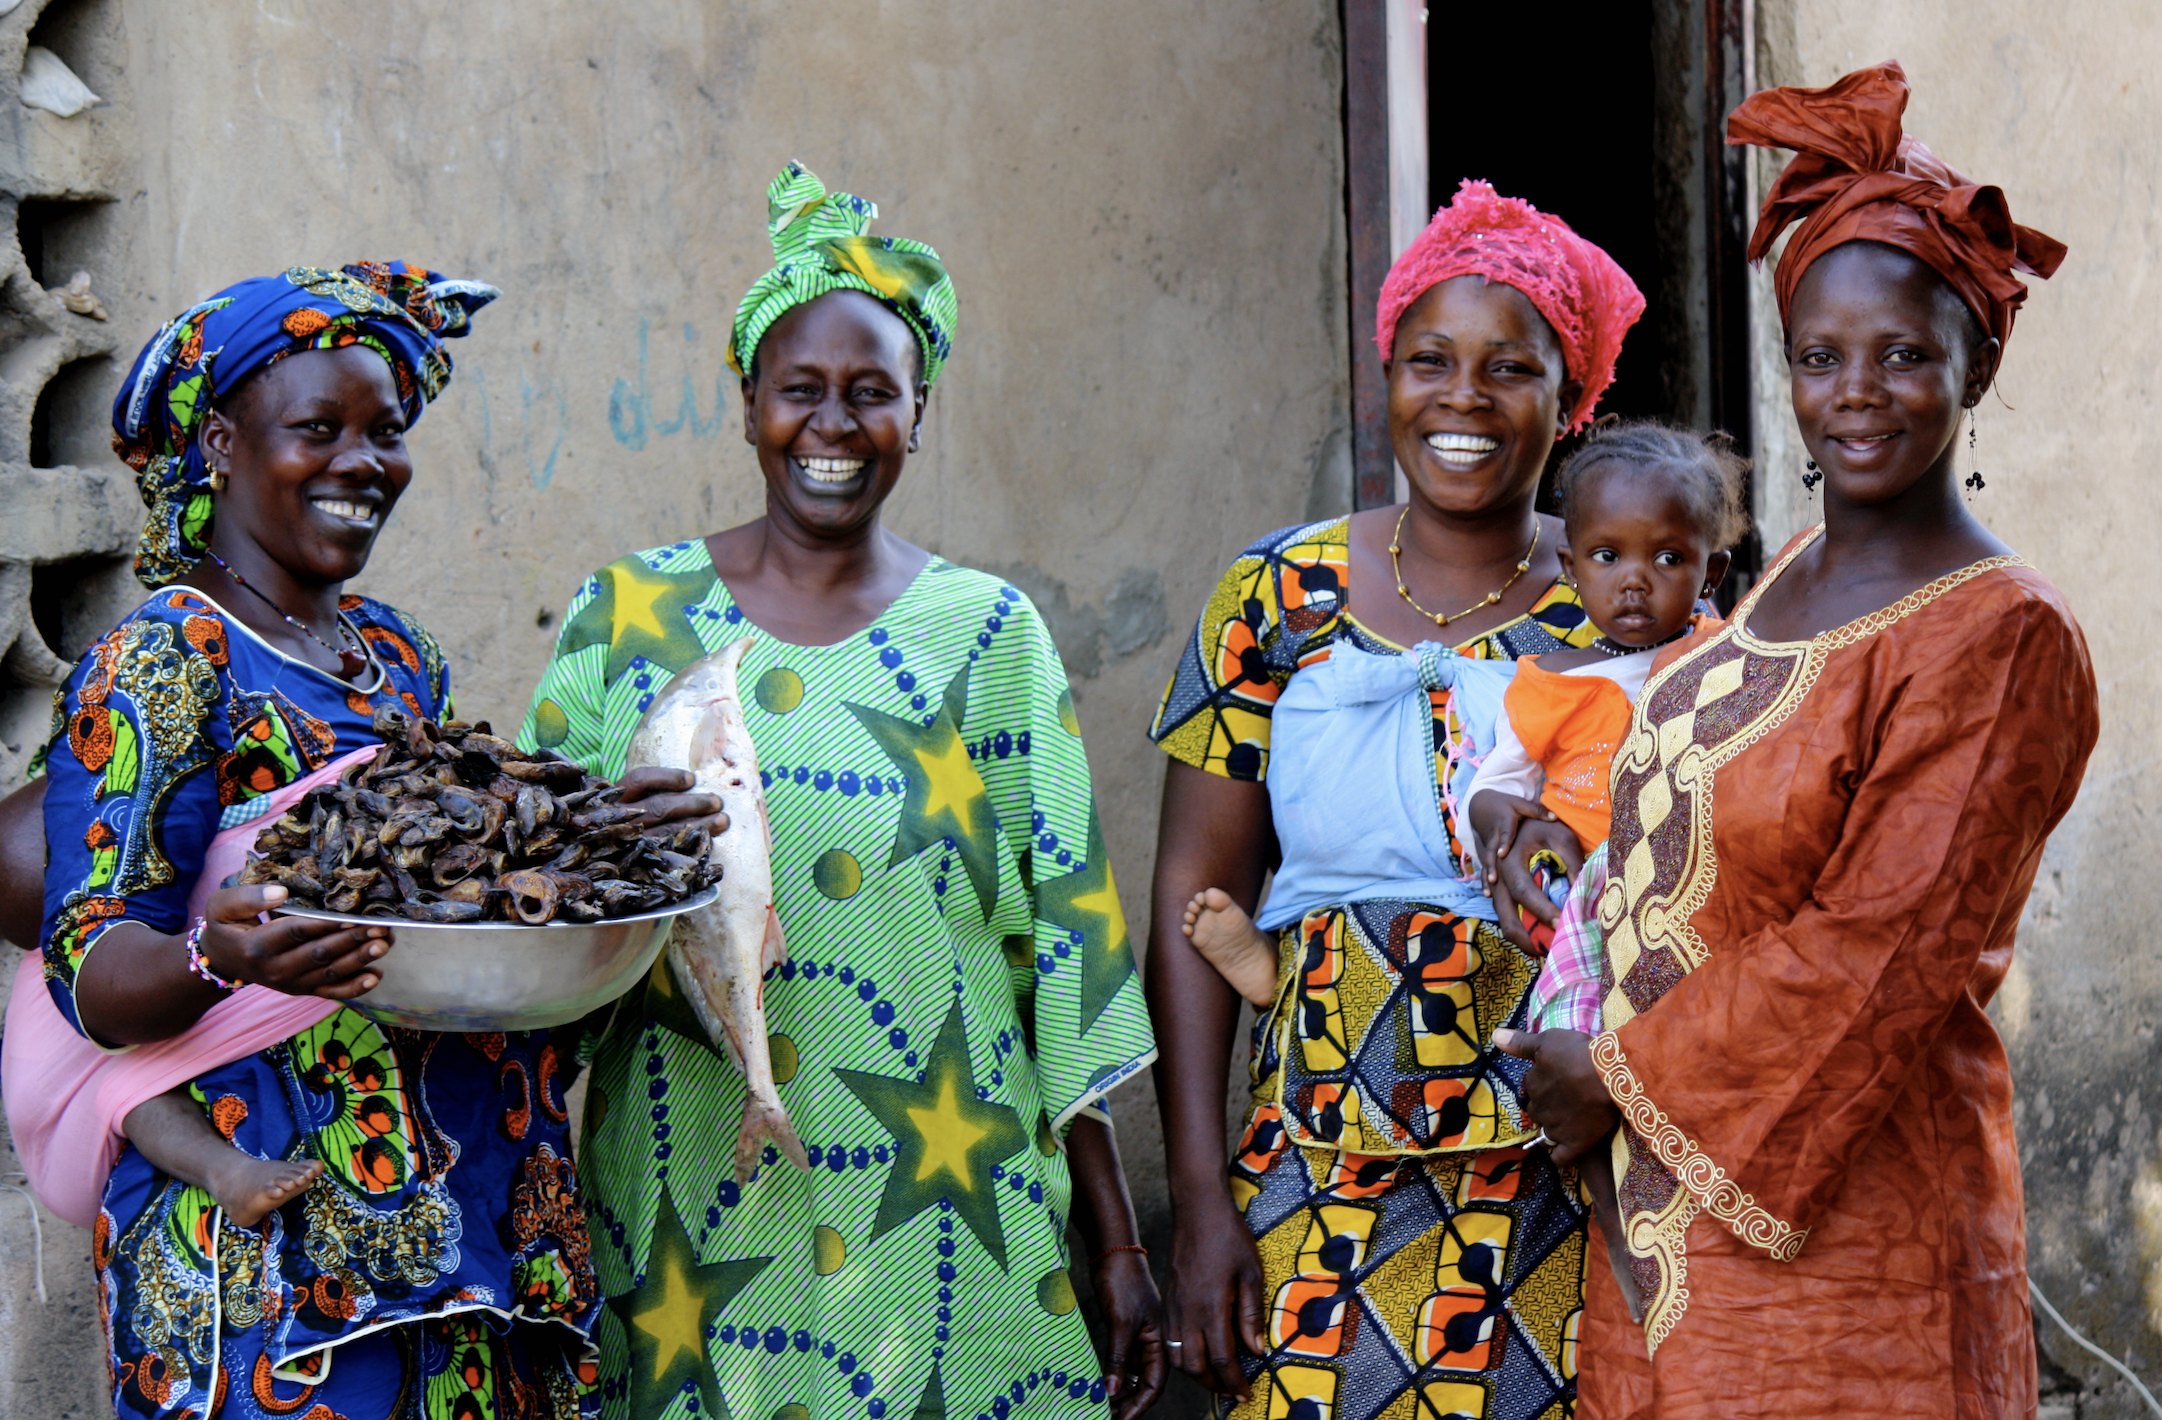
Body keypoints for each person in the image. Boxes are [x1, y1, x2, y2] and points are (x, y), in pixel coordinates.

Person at [1496, 62, 2095, 1418]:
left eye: (1902, 354)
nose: (1856, 393)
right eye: (1819, 357)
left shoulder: (1999, 638)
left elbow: (1875, 947)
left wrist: (1618, 1076)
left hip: (1854, 1253)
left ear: (1977, 363)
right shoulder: (1782, 584)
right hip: (1658, 1230)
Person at [518, 164, 1164, 1420]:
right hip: (694, 1208)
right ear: (747, 406)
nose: (831, 424)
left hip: (947, 1223)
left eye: (872, 393)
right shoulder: (627, 616)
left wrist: (1121, 1247)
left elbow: (1063, 951)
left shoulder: (988, 636)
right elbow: (534, 914)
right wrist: (609, 852)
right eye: (798, 390)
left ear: (918, 414)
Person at [12, 262, 708, 1419]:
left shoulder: (400, 657)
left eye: (384, 431)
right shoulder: (169, 660)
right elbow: (92, 969)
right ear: (225, 444)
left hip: (467, 1208)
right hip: (276, 1260)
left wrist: (598, 842)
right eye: (316, 429)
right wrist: (217, 960)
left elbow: (438, 871)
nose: (363, 462)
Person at [1145, 179, 1645, 1418]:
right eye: (1430, 359)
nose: (1462, 398)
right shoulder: (1273, 596)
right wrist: (1201, 1197)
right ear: (1387, 373)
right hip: (1311, 1162)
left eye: (1509, 368)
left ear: (1570, 397)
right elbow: (1189, 899)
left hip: (1554, 1170)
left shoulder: (1624, 609)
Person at [1176, 420, 1747, 1327]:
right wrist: (1501, 821)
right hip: (1338, 1102)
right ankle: (1274, 970)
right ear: (1576, 560)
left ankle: (1629, 1241)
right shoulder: (1547, 672)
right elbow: (1502, 776)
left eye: (1668, 557)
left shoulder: (1716, 664)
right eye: (1606, 556)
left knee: (1612, 1048)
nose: (1634, 578)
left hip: (1561, 1067)